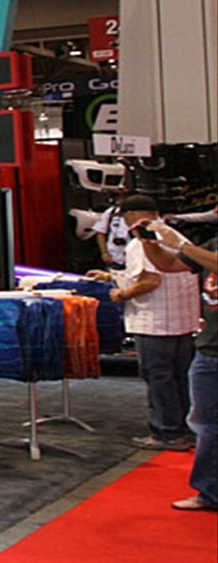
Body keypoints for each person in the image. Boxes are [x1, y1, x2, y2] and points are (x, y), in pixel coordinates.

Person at [91, 195, 199, 451]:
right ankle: (184, 429)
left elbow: (151, 281)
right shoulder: (176, 237)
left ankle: (167, 432)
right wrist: (111, 275)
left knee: (159, 378)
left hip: (154, 322)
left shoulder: (141, 242)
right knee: (179, 378)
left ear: (129, 216)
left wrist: (121, 294)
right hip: (182, 322)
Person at [149, 219, 217, 510]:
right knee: (205, 425)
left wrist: (180, 243)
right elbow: (168, 265)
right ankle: (209, 492)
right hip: (209, 350)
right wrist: (148, 241)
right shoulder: (212, 245)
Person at [93, 203, 131, 268]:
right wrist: (104, 253)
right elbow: (101, 233)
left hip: (134, 259)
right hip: (114, 258)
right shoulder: (111, 212)